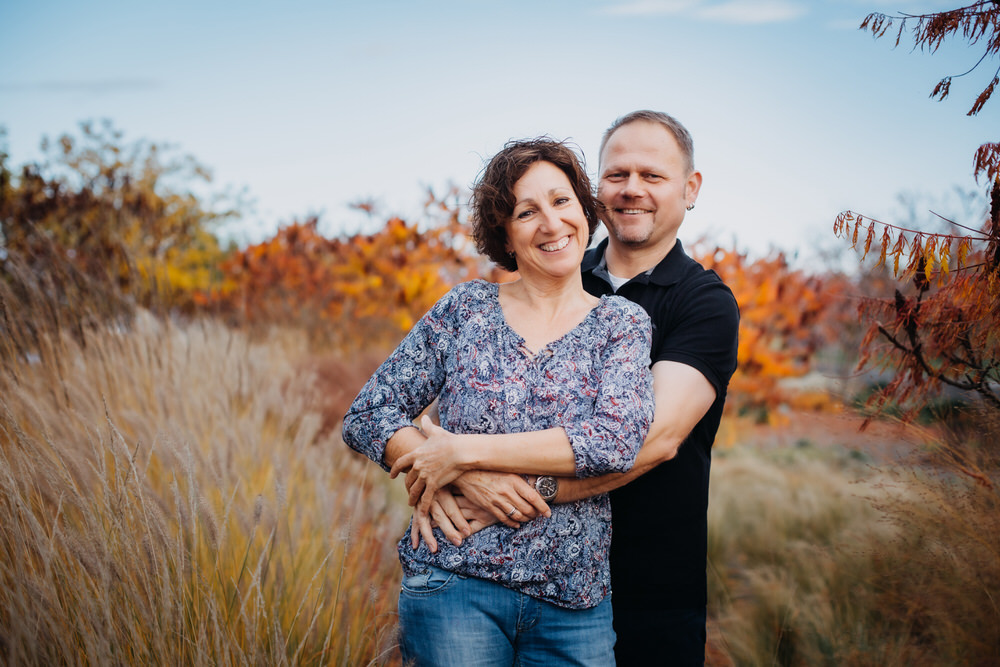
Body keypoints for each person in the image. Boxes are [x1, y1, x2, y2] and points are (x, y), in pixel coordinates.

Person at [430, 111, 740, 666]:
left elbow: (654, 440)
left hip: (650, 591)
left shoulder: (703, 303)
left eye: (653, 175)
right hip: (517, 578)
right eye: (616, 174)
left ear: (690, 189)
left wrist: (499, 493)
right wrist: (456, 472)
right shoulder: (555, 273)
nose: (631, 190)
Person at [342, 137, 655, 666]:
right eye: (526, 211)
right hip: (453, 582)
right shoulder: (467, 309)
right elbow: (369, 413)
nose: (551, 224)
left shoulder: (621, 324)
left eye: (561, 202)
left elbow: (614, 442)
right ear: (506, 236)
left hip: (573, 602)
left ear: (584, 210)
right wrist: (459, 474)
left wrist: (462, 453)